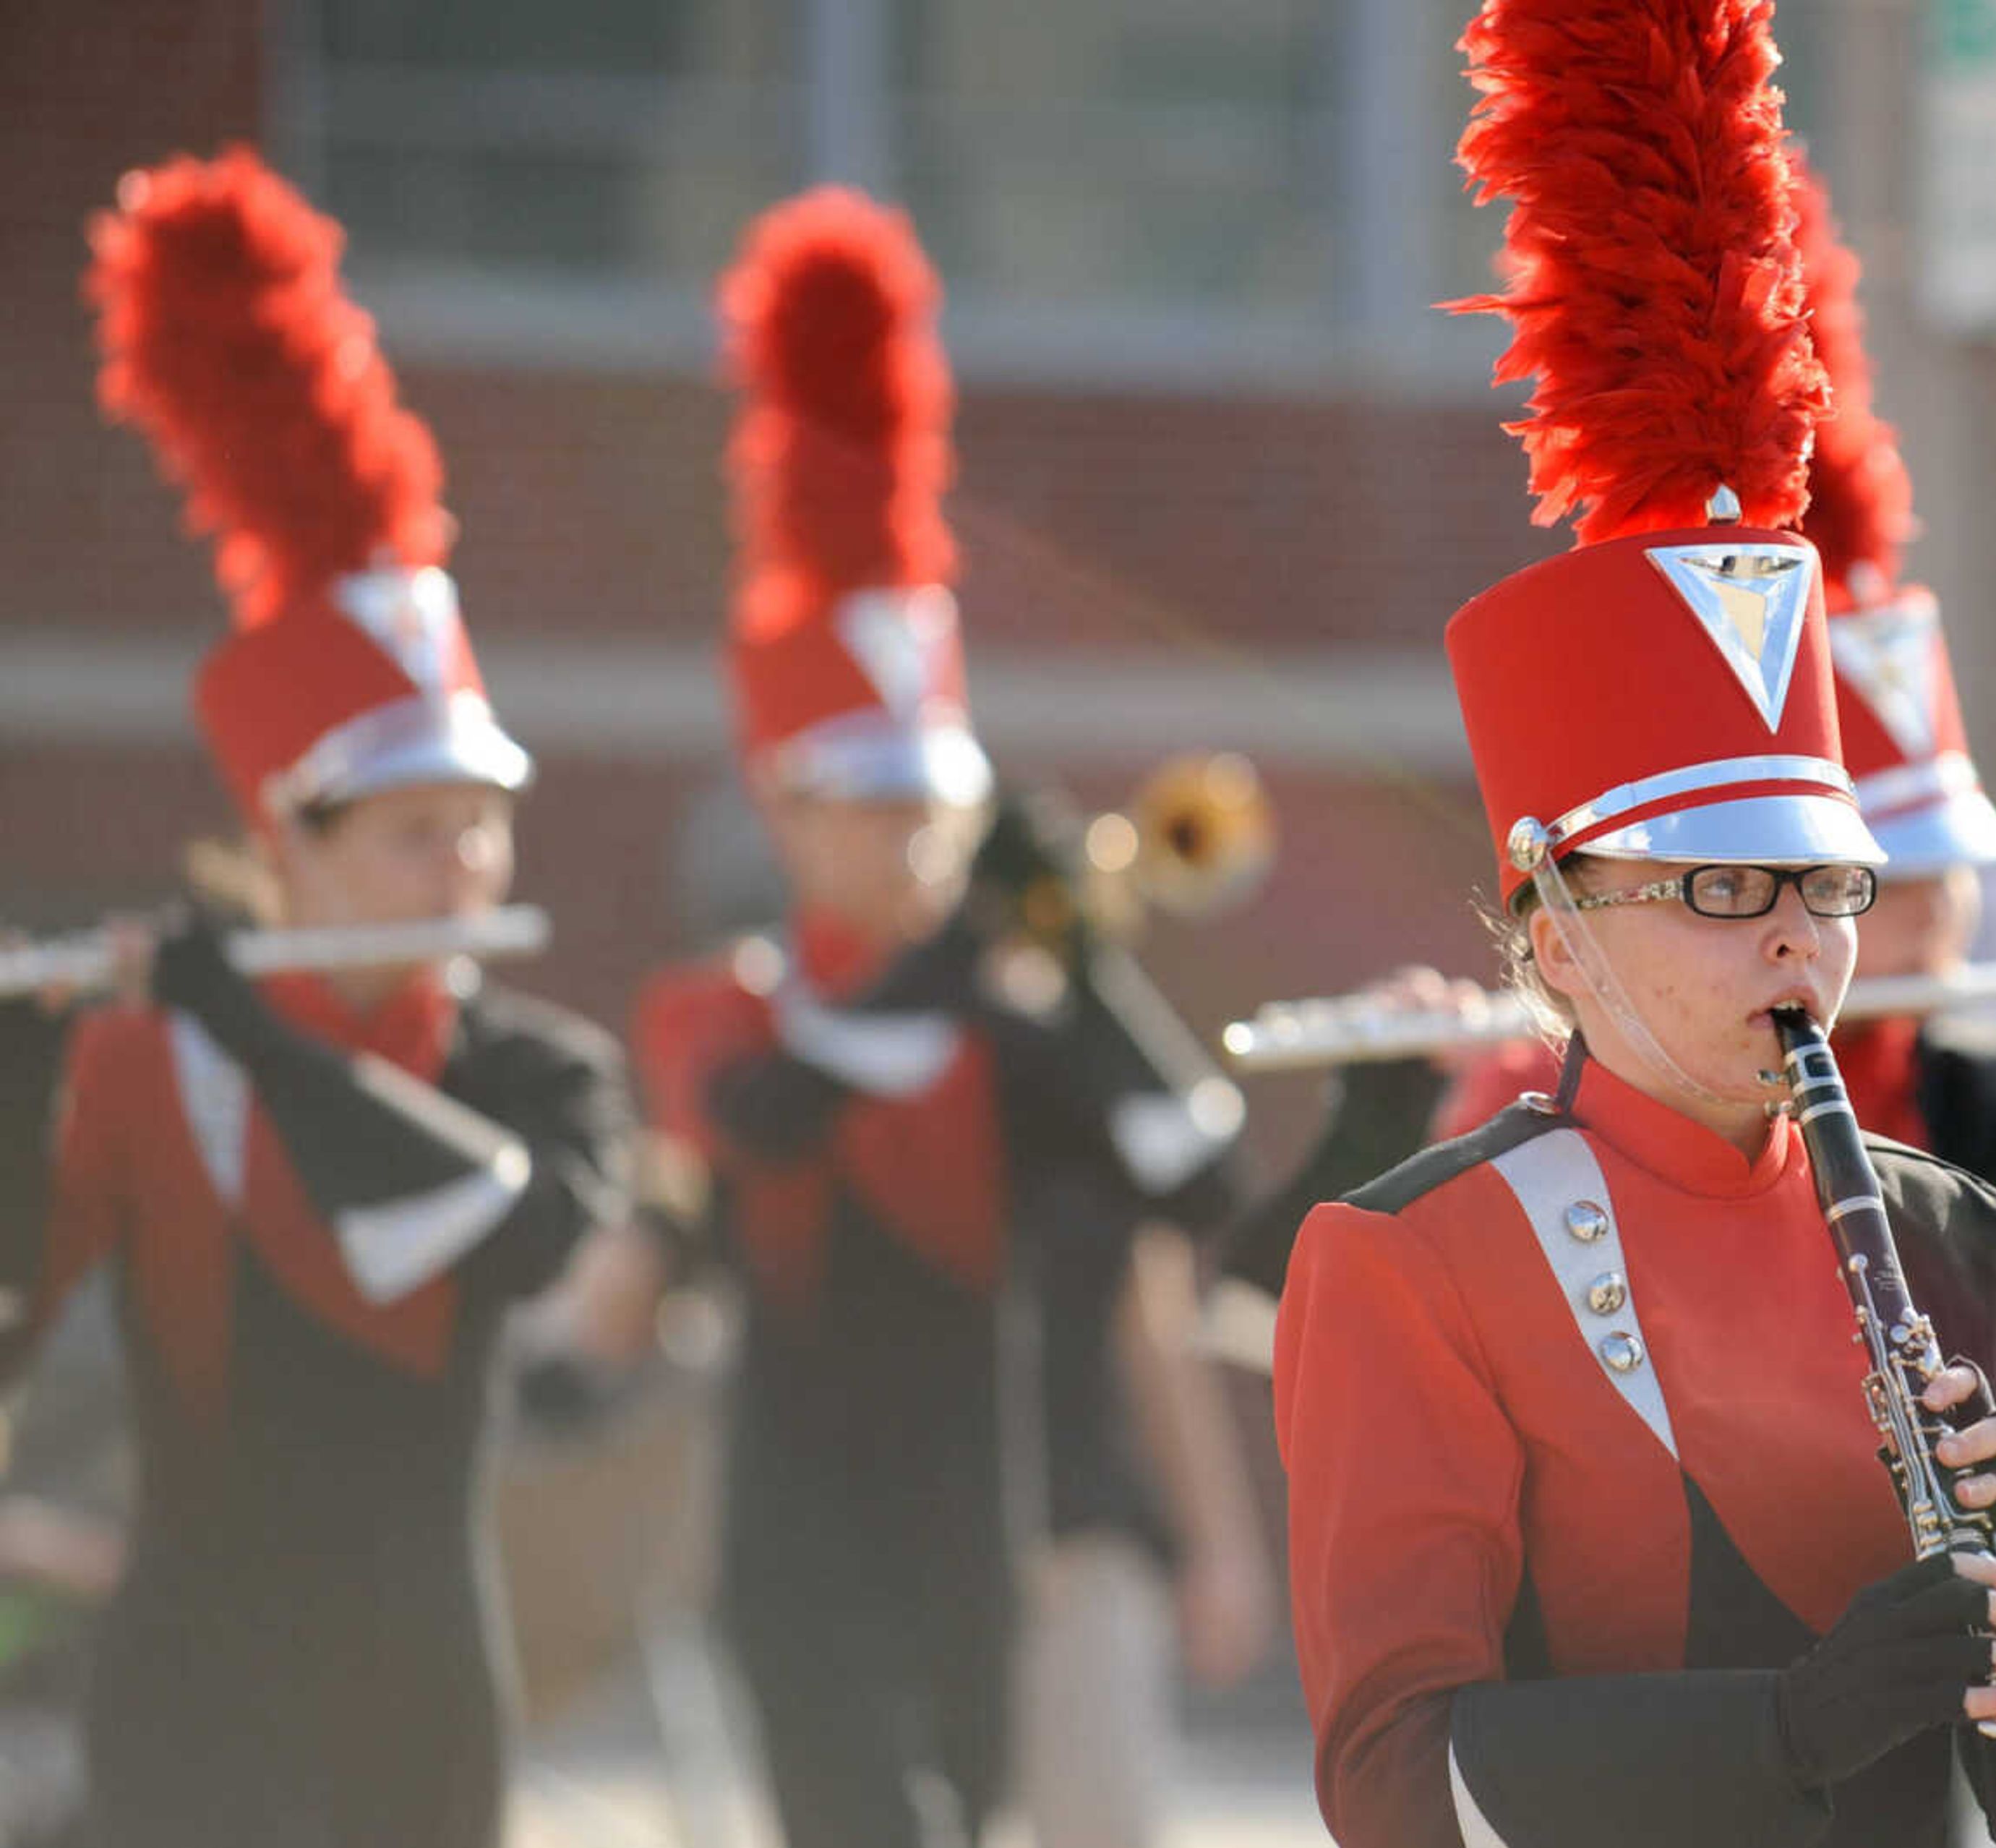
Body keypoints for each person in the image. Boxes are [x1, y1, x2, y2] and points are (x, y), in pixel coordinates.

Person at [1272, 6, 1996, 1843]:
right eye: (1726, 890)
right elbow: (1387, 1787)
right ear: (1556, 929)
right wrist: (1793, 1728)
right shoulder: (1412, 1260)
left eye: (1829, 888)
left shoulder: (1957, 1231)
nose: (1806, 945)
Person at [0, 148, 630, 1848]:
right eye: (418, 837)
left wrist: (254, 1035)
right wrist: (21, 1069)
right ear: (288, 843)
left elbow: (510, 1238)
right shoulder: (146, 1061)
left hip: (418, 1717)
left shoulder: (540, 1072)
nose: (466, 879)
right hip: (182, 1721)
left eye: (482, 834)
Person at [627, 189, 1267, 1848]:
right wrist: (973, 958)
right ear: (784, 809)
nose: (908, 843)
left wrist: (1081, 968)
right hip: (802, 1556)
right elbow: (769, 1115)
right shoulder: (722, 1015)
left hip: (1006, 1542)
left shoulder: (1017, 1011)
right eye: (868, 807)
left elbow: (1190, 1186)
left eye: (933, 808)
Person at [1423, 155, 1996, 1353]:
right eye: (1746, 883)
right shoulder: (1575, 1103)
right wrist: (1410, 1102)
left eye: (1866, 879)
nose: (1890, 924)